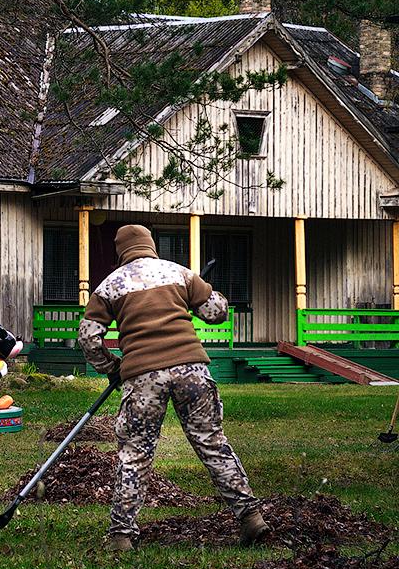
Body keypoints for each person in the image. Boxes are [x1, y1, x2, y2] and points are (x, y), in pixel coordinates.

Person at [78, 224, 270, 551]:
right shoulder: (179, 273)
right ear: (150, 245)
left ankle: (122, 536)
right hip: (192, 369)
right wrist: (206, 293)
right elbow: (216, 313)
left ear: (121, 250)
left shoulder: (108, 286)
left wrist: (113, 368)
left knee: (135, 452)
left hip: (143, 377)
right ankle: (251, 518)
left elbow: (87, 338)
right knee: (211, 441)